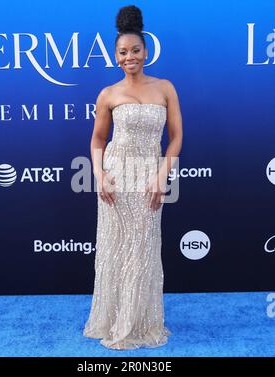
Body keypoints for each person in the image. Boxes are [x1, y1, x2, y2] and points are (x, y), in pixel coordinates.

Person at [83, 5, 183, 350]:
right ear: (115, 56)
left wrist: (162, 176)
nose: (130, 57)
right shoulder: (108, 94)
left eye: (135, 50)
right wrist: (99, 175)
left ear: (146, 51)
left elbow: (176, 138)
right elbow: (97, 140)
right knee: (115, 249)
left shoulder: (165, 88)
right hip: (116, 179)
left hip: (149, 180)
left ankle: (140, 321)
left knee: (142, 250)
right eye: (123, 52)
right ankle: (114, 320)